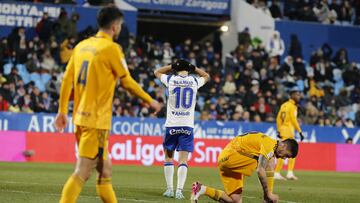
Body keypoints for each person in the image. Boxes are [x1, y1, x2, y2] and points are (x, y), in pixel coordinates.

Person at [54, 6, 160, 203]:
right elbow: (127, 82)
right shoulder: (112, 49)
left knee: (105, 169)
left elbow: (67, 80)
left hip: (80, 118)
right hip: (96, 122)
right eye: (120, 26)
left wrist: (62, 111)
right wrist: (150, 100)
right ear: (115, 26)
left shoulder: (81, 46)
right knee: (83, 172)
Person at [154, 59, 209, 199]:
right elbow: (207, 76)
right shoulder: (194, 81)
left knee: (168, 157)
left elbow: (157, 72)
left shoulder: (171, 80)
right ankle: (179, 191)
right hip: (187, 125)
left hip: (172, 124)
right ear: (188, 69)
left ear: (175, 69)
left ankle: (169, 190)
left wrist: (171, 66)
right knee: (183, 160)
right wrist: (195, 68)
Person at [191, 132, 299, 203]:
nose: (284, 158)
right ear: (283, 146)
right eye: (287, 155)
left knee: (235, 201)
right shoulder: (269, 144)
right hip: (231, 156)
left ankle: (201, 189)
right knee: (269, 162)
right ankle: (268, 196)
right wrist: (268, 193)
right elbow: (260, 170)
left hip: (230, 162)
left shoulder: (270, 146)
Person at [274, 86, 303, 181]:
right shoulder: (292, 106)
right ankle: (281, 172)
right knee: (290, 151)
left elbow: (278, 118)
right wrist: (299, 131)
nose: (299, 96)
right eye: (297, 95)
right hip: (289, 131)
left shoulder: (284, 105)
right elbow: (293, 120)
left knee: (284, 151)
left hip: (283, 130)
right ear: (292, 95)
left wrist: (279, 129)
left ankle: (284, 172)